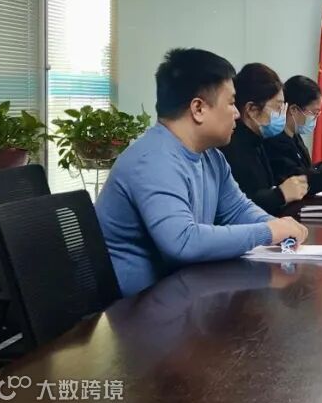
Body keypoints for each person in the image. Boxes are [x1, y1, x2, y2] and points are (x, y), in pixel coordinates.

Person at [96, 48, 309, 297]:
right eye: (231, 103)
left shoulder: (211, 157)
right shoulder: (153, 160)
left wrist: (277, 225)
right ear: (198, 108)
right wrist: (269, 232)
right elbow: (182, 241)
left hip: (179, 294)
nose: (237, 113)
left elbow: (237, 209)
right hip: (135, 308)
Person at [219, 63, 308, 216]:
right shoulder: (231, 145)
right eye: (278, 108)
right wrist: (280, 195)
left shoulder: (258, 139)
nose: (282, 115)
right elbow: (236, 207)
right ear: (252, 110)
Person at [264, 75, 322, 196]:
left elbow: (307, 169)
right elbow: (297, 178)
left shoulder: (294, 137)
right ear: (294, 110)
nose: (315, 118)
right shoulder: (274, 140)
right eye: (314, 113)